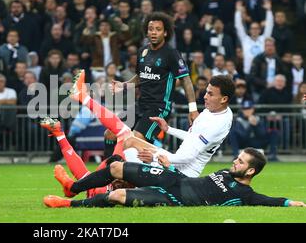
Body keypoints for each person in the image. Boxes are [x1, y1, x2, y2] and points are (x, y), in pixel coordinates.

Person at [71, 71, 234, 178]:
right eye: (206, 91)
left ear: (224, 99)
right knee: (123, 150)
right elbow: (194, 137)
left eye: (210, 94)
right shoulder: (214, 112)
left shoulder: (216, 123)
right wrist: (168, 129)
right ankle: (92, 180)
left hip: (180, 173)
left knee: (127, 139)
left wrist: (155, 156)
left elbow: (188, 157)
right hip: (173, 162)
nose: (205, 96)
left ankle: (84, 98)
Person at [43, 147, 306, 208]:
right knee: (116, 167)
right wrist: (170, 166)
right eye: (237, 157)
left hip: (173, 198)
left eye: (240, 161)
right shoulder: (225, 172)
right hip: (172, 179)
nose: (234, 161)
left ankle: (68, 204)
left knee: (117, 195)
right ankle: (72, 188)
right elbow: (197, 181)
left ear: (250, 171)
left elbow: (268, 200)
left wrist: (290, 203)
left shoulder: (244, 194)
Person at [108, 12, 199, 157]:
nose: (154, 32)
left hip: (159, 108)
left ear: (165, 32)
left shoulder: (171, 54)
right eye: (151, 29)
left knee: (136, 139)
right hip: (140, 104)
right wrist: (124, 85)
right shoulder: (142, 51)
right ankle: (111, 171)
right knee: (110, 133)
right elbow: (141, 77)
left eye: (158, 29)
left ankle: (153, 171)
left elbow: (186, 80)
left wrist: (193, 109)